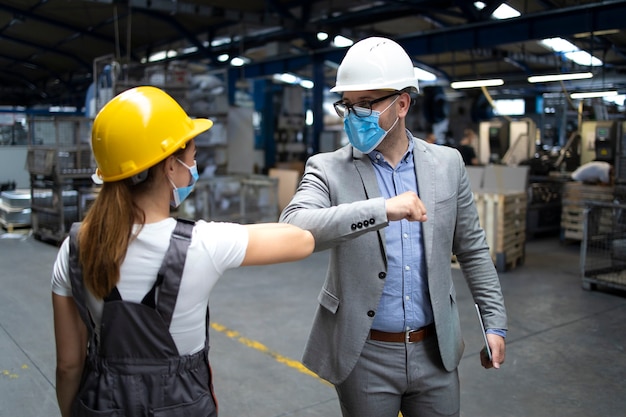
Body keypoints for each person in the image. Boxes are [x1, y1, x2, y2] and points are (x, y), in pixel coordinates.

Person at [51, 86, 314, 417]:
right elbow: (302, 239)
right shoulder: (202, 244)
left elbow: (68, 365)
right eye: (192, 156)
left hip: (101, 404)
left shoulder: (74, 247)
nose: (194, 165)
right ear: (170, 167)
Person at [279, 37, 506, 417]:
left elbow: (472, 248)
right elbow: (295, 225)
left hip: (436, 352)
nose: (354, 116)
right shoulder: (327, 168)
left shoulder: (447, 165)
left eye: (366, 104)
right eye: (347, 105)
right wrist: (381, 209)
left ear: (402, 104)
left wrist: (494, 322)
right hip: (364, 353)